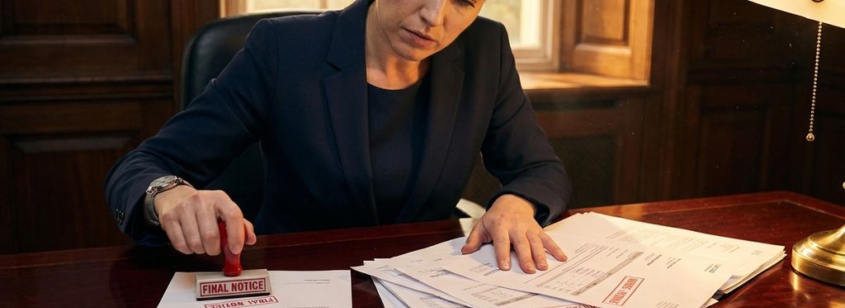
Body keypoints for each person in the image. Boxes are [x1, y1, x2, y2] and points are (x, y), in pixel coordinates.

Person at [105, 0, 572, 274]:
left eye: (465, 1)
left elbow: (539, 169)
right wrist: (167, 195)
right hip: (299, 285)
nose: (435, 16)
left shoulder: (485, 49)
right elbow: (140, 168)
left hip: (427, 286)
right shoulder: (282, 49)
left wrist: (517, 203)